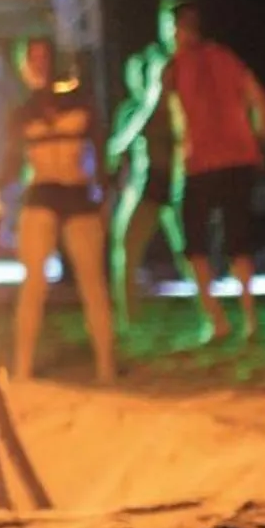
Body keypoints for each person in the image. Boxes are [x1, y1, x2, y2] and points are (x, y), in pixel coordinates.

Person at [113, 0, 265, 343]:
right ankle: (248, 320)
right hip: (236, 162)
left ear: (173, 27)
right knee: (236, 245)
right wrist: (259, 143)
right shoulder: (225, 56)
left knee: (194, 248)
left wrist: (120, 144)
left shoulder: (172, 66)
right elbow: (260, 101)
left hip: (197, 166)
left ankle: (217, 322)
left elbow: (153, 108)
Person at [0, 37, 119, 383]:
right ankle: (22, 367)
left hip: (77, 193)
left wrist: (104, 192)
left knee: (92, 281)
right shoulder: (22, 112)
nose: (39, 65)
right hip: (42, 193)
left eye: (44, 57)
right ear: (23, 67)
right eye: (32, 59)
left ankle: (106, 365)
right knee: (33, 281)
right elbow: (11, 160)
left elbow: (100, 149)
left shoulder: (81, 101)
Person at [106, 42, 189, 325]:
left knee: (188, 252)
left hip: (175, 185)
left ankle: (210, 312)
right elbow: (116, 150)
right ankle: (127, 316)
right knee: (125, 248)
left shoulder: (175, 106)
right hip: (144, 186)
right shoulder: (131, 110)